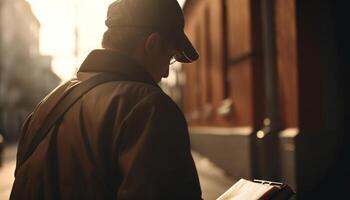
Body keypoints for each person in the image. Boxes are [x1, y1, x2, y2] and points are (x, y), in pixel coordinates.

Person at [10, 0, 202, 199]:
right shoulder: (149, 108)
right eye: (169, 57)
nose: (165, 73)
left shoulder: (46, 107)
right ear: (152, 45)